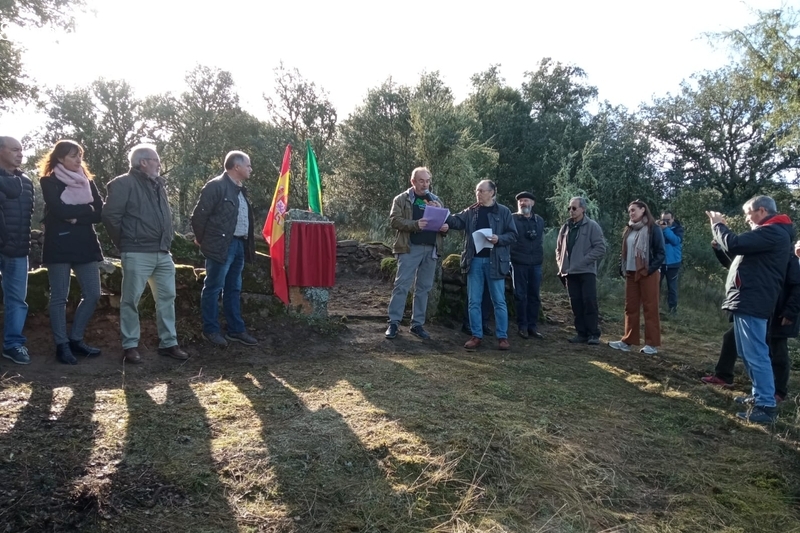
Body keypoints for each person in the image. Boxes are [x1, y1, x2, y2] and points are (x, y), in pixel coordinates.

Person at [707, 195, 793, 424]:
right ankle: (759, 395)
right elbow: (736, 255)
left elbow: (735, 243)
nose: (747, 219)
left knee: (756, 354)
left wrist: (718, 224)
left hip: (753, 301)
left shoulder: (772, 232)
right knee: (748, 353)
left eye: (748, 213)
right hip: (748, 300)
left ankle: (765, 406)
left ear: (762, 211)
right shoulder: (772, 234)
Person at [102, 143, 188, 364]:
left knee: (167, 298)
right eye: (155, 160)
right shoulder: (122, 184)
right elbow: (110, 217)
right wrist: (126, 244)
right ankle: (130, 346)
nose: (159, 164)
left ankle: (169, 343)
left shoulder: (158, 185)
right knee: (131, 300)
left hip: (162, 252)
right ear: (143, 162)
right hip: (136, 252)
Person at [702, 240, 800, 403]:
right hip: (758, 310)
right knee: (731, 338)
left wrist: (789, 312)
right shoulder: (763, 254)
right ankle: (723, 376)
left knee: (777, 351)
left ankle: (779, 392)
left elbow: (797, 288)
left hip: (779, 313)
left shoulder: (788, 259)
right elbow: (735, 267)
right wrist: (719, 250)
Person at [38, 140, 104, 365]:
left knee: (93, 294)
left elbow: (99, 213)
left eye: (80, 155)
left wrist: (77, 215)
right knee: (59, 297)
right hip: (58, 245)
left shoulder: (88, 181)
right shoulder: (49, 182)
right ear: (60, 158)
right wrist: (87, 209)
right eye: (73, 155)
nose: (78, 160)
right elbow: (58, 209)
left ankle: (76, 339)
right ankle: (61, 345)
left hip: (85, 244)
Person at [191, 151, 258, 347]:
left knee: (233, 288)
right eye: (248, 165)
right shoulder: (216, 186)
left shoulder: (240, 190)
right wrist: (204, 241)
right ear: (236, 166)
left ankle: (236, 330)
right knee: (213, 287)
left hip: (238, 245)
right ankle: (211, 330)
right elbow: (198, 217)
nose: (250, 169)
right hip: (221, 246)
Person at [446, 179, 517, 350]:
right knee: (474, 301)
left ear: (492, 192)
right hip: (475, 261)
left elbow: (513, 235)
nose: (478, 194)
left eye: (482, 191)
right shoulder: (471, 211)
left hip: (496, 261)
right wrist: (439, 210)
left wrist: (499, 239)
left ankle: (502, 337)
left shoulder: (504, 211)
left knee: (499, 301)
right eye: (477, 191)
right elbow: (455, 221)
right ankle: (476, 336)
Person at [385, 167, 449, 340]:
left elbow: (443, 222)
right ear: (412, 181)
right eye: (421, 181)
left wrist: (445, 228)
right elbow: (394, 220)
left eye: (427, 181)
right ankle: (394, 323)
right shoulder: (401, 199)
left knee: (424, 288)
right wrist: (415, 224)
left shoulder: (435, 200)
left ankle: (417, 324)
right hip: (409, 247)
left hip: (431, 249)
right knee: (402, 285)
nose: (425, 184)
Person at [608, 200, 665, 355]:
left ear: (643, 210)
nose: (631, 213)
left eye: (633, 210)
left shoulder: (653, 229)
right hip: (631, 273)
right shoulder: (629, 229)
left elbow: (660, 253)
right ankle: (628, 341)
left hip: (648, 274)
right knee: (630, 307)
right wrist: (622, 267)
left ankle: (651, 344)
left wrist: (649, 270)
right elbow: (625, 252)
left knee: (650, 307)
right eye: (629, 211)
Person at [555, 197, 606, 345]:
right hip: (569, 273)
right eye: (569, 208)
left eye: (574, 208)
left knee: (589, 301)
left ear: (583, 209)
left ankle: (593, 334)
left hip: (586, 272)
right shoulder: (565, 227)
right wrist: (561, 265)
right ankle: (581, 333)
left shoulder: (592, 226)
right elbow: (558, 249)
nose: (571, 211)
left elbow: (600, 248)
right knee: (575, 303)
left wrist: (582, 261)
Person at [0, 136, 29, 365]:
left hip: (18, 251)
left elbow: (26, 219)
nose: (19, 154)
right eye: (14, 150)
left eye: (21, 150)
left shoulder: (26, 181)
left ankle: (13, 345)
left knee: (17, 300)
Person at [510, 191, 545, 339]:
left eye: (526, 200)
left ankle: (533, 326)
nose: (523, 203)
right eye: (520, 201)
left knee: (534, 296)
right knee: (520, 295)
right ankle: (522, 326)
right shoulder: (512, 219)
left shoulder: (539, 220)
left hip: (535, 263)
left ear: (533, 203)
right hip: (518, 262)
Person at [658, 211, 683, 314]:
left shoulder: (678, 229)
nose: (665, 222)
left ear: (673, 219)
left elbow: (676, 241)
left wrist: (666, 229)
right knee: (656, 285)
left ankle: (672, 310)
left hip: (673, 263)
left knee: (672, 287)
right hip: (660, 262)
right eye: (663, 220)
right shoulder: (658, 228)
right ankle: (654, 306)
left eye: (668, 220)